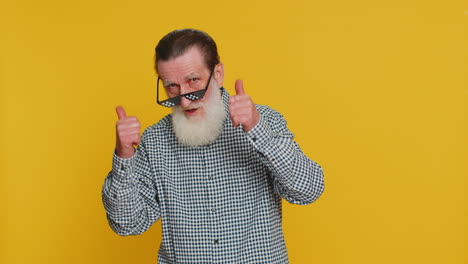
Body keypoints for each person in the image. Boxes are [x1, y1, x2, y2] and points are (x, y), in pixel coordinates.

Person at [102, 28, 324, 263]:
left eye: (193, 81)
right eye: (172, 87)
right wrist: (124, 156)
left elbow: (308, 189)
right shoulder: (154, 140)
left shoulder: (265, 121)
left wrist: (257, 130)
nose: (185, 100)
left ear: (217, 74)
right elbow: (128, 224)